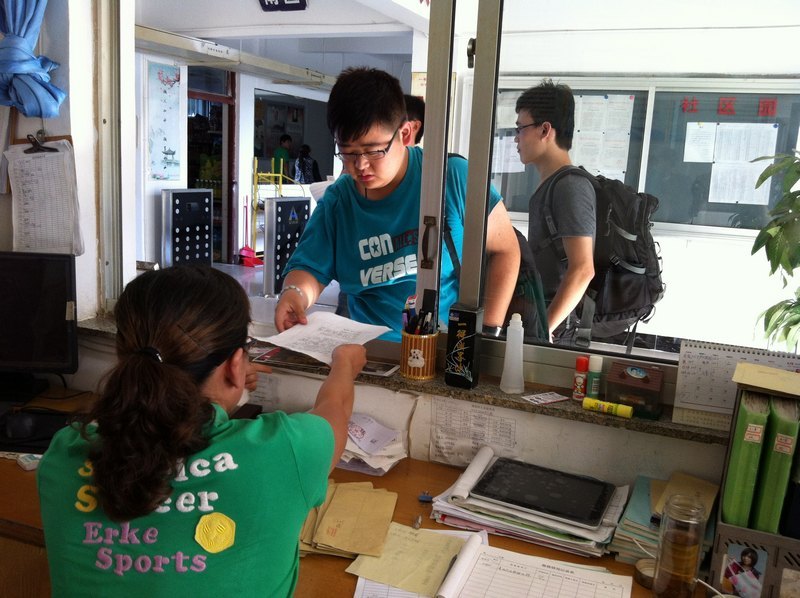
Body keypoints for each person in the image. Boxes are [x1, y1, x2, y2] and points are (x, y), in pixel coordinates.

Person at [37, 264, 366, 596]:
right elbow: (335, 410)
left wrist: (230, 389)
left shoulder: (63, 453)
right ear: (235, 365)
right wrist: (344, 364)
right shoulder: (285, 451)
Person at [275, 67, 519, 341]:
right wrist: (294, 295)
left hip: (443, 350)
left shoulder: (451, 179)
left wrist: (488, 334)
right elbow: (310, 268)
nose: (360, 165)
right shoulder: (339, 201)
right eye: (348, 153)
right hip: (369, 351)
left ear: (405, 133)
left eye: (373, 151)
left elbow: (505, 250)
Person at [515, 79, 595, 342]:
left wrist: (543, 331)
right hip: (546, 322)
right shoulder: (551, 185)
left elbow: (583, 269)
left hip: (559, 331)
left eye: (521, 128)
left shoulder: (570, 186)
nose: (516, 138)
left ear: (544, 129)